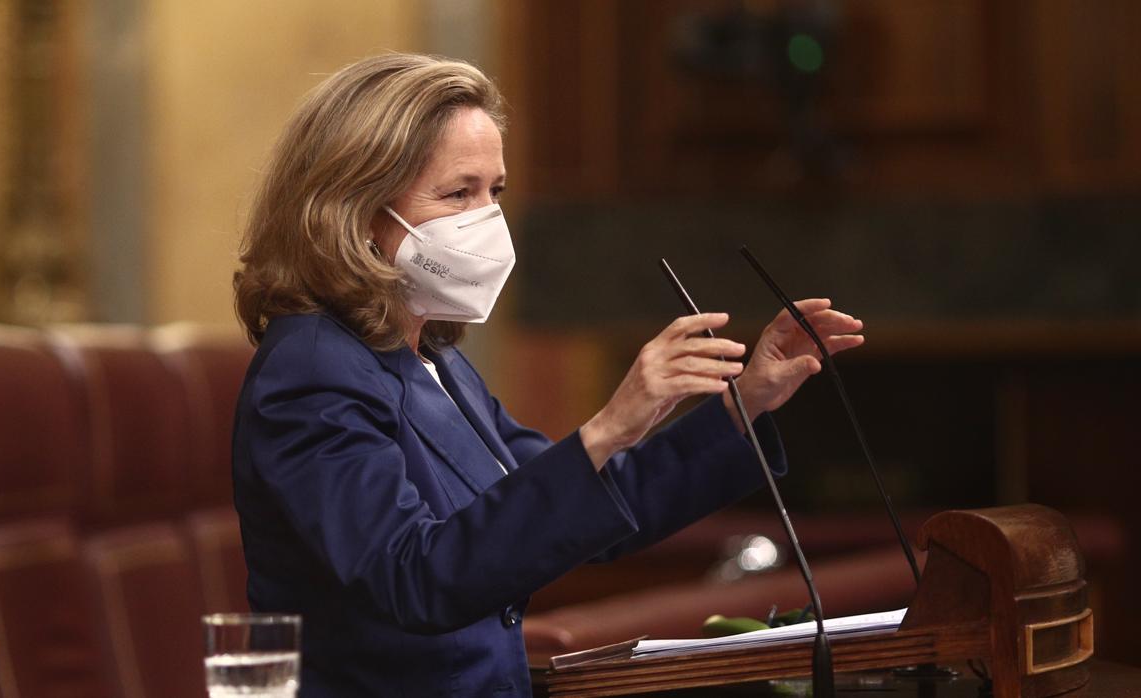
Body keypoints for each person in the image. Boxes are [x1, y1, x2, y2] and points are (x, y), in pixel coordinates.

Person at [231, 53, 864, 697]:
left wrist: (746, 403)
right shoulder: (311, 370)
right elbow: (411, 579)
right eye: (457, 193)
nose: (486, 218)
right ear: (357, 210)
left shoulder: (433, 359)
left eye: (494, 191)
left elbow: (587, 501)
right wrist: (609, 424)